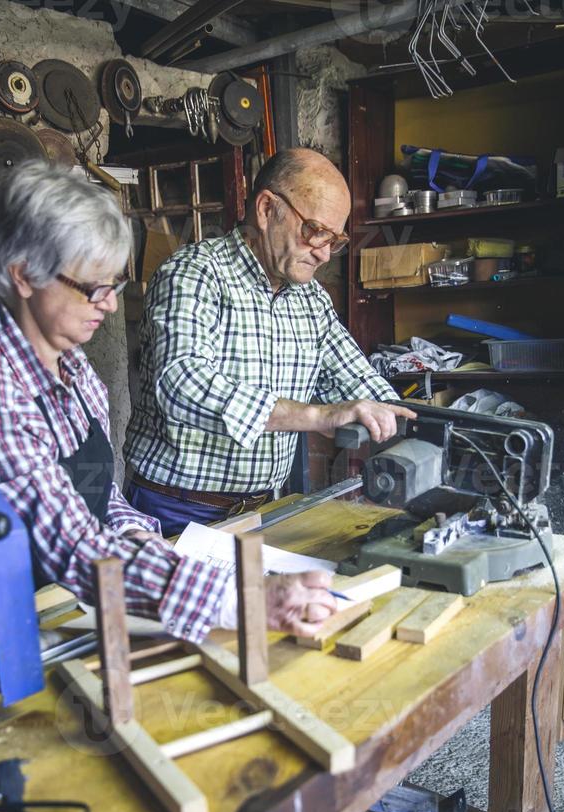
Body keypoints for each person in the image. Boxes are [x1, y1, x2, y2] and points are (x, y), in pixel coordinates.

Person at [0, 161, 337, 642]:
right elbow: (74, 545)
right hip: (0, 631)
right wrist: (243, 600)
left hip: (68, 603)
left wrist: (137, 533)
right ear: (23, 276)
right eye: (94, 288)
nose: (112, 306)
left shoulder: (70, 366)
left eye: (115, 285)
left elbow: (97, 497)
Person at [124, 147, 416, 536]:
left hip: (263, 509)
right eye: (315, 231)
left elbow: (363, 386)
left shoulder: (310, 301)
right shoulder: (194, 274)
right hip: (173, 511)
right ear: (265, 210)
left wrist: (420, 422)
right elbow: (181, 384)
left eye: (336, 239)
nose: (325, 253)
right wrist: (317, 416)